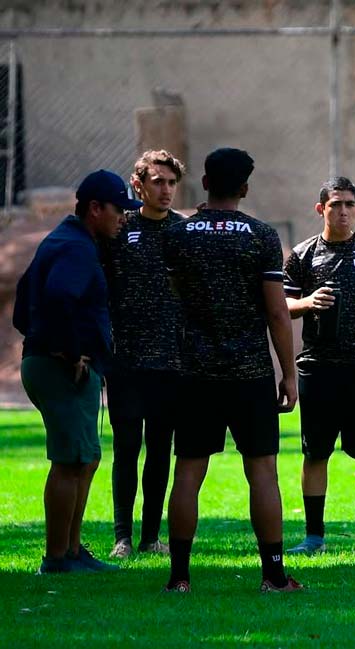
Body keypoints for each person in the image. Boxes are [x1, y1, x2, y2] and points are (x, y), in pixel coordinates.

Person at [161, 147, 300, 593]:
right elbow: (278, 314)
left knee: (188, 471)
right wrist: (289, 373)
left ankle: (179, 577)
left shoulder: (180, 235)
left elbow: (172, 298)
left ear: (204, 184)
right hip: (249, 372)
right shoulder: (260, 236)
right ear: (244, 188)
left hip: (194, 371)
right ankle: (273, 576)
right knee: (262, 472)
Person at [14, 169, 139, 574]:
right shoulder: (75, 247)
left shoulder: (69, 240)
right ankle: (56, 558)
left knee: (84, 458)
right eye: (119, 209)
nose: (124, 217)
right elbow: (57, 297)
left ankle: (72, 551)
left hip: (51, 363)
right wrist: (70, 353)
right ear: (94, 208)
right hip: (61, 368)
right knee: (70, 461)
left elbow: (22, 303)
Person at [282, 176, 355, 554]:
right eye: (336, 204)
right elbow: (283, 307)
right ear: (321, 210)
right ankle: (314, 536)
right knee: (315, 453)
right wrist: (308, 302)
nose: (343, 211)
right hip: (317, 368)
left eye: (350, 204)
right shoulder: (302, 255)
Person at [103, 150, 186, 559]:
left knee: (160, 449)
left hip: (171, 361)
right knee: (126, 448)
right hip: (126, 360)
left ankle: (152, 536)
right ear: (138, 185)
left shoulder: (184, 231)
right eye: (158, 181)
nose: (166, 189)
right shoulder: (121, 229)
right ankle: (122, 537)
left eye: (171, 182)